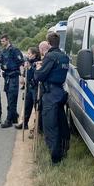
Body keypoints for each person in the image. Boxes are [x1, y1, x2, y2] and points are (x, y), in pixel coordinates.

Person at [34, 33, 70, 164]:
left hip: (50, 94)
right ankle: (63, 150)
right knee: (61, 123)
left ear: (48, 44)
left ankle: (55, 157)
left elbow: (40, 76)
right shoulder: (65, 57)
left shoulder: (50, 56)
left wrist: (38, 68)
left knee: (51, 126)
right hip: (60, 92)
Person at [0, 34, 24, 128]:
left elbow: (21, 63)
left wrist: (22, 76)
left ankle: (9, 120)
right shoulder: (3, 51)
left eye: (3, 41)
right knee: (9, 98)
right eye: (1, 41)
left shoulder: (14, 50)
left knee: (12, 98)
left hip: (13, 76)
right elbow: (2, 62)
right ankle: (14, 116)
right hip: (7, 77)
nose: (2, 43)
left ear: (8, 40)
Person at [16, 47, 41, 130]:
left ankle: (36, 126)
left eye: (29, 53)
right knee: (27, 105)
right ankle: (24, 123)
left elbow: (35, 74)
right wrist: (23, 76)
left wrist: (30, 68)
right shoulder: (28, 61)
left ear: (34, 54)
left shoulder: (38, 62)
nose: (28, 55)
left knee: (36, 107)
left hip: (35, 87)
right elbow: (25, 73)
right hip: (28, 87)